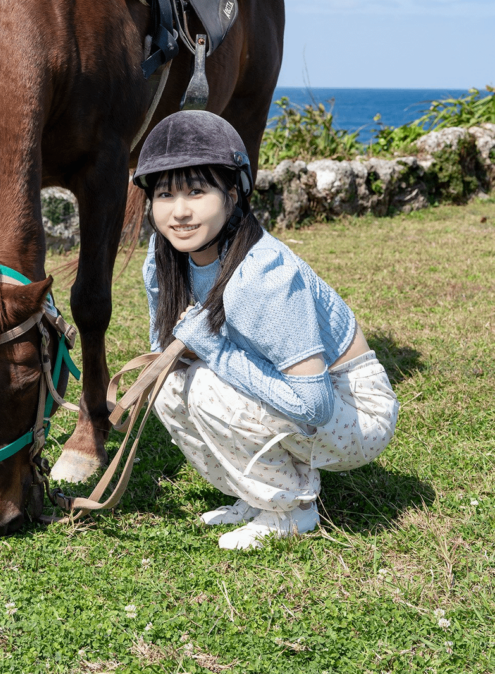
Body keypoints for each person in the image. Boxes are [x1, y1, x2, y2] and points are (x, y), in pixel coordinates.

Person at [132, 111, 398, 550]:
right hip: (297, 395)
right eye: (165, 194)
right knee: (171, 384)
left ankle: (292, 510)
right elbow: (166, 345)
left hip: (354, 409)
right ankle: (255, 494)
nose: (179, 211)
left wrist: (214, 351)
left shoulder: (263, 274)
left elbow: (313, 404)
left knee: (201, 385)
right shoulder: (164, 259)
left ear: (232, 195)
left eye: (196, 191)